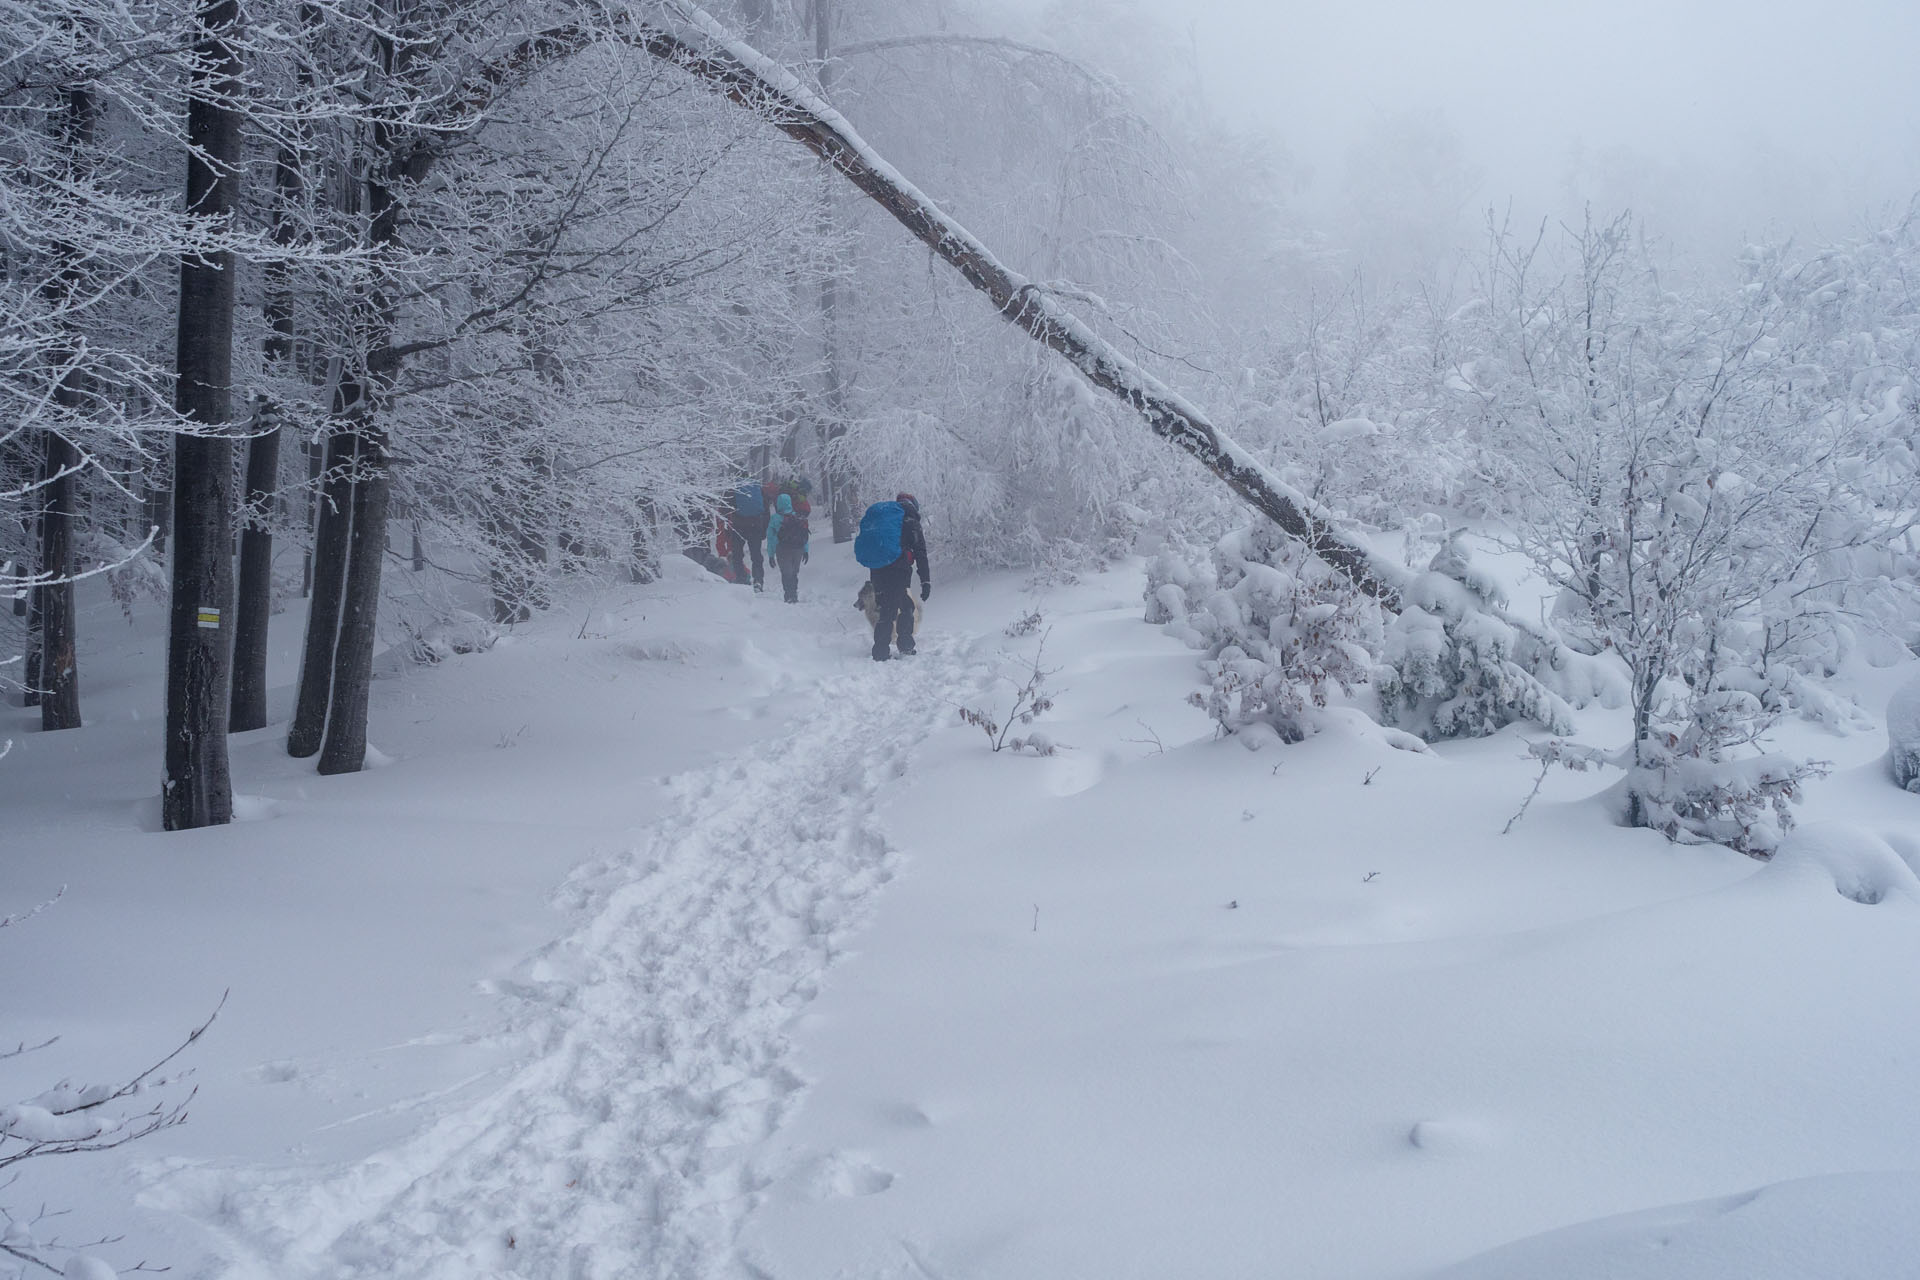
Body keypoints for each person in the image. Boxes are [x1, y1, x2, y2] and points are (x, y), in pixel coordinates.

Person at [867, 492, 930, 661]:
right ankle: (883, 650)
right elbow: (920, 553)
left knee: (899, 606)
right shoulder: (911, 522)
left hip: (878, 571)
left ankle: (900, 645)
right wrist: (926, 580)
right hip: (898, 572)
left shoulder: (885, 520)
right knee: (894, 609)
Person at [765, 492, 810, 603]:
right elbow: (804, 535)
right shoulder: (797, 516)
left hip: (782, 549)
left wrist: (771, 555)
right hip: (798, 550)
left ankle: (788, 595)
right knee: (794, 573)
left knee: (786, 573)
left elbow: (770, 538)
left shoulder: (775, 519)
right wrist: (805, 551)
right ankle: (794, 594)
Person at [725, 481, 768, 591]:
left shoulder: (734, 488)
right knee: (756, 556)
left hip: (738, 526)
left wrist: (727, 530)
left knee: (737, 555)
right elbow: (766, 509)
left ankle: (741, 579)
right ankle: (758, 581)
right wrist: (764, 529)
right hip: (755, 526)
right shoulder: (758, 488)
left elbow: (725, 508)